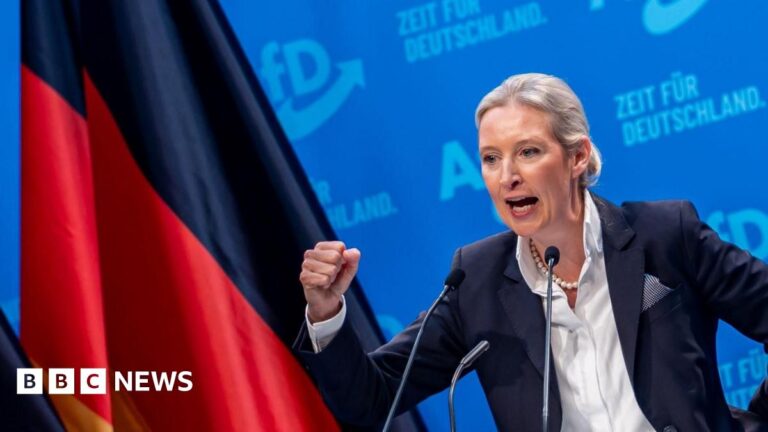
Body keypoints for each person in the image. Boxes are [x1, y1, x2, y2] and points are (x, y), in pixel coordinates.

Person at [295, 73, 768, 431]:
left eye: (528, 152)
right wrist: (326, 311)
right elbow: (371, 401)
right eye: (491, 158)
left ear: (577, 156)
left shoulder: (664, 235)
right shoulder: (475, 281)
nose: (507, 177)